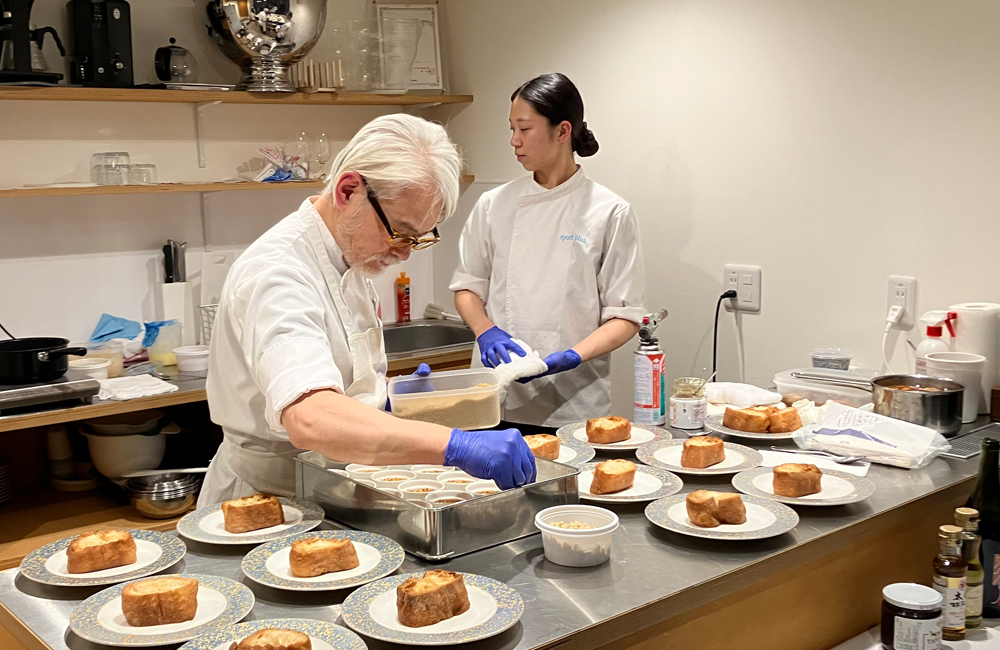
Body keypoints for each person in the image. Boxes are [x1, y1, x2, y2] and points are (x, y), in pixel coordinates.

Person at [199, 114, 535, 506]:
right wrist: (456, 446)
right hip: (267, 500)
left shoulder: (349, 259)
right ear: (348, 190)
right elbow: (311, 418)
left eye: (418, 239)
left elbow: (340, 387)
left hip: (330, 484)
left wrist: (393, 401)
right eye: (399, 231)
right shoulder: (279, 273)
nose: (405, 252)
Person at [450, 73, 646, 434]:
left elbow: (625, 317)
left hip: (573, 400)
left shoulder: (609, 212)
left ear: (562, 131)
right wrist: (485, 330)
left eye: (524, 129)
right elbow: (467, 287)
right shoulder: (494, 205)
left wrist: (572, 356)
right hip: (495, 396)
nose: (514, 141)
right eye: (511, 129)